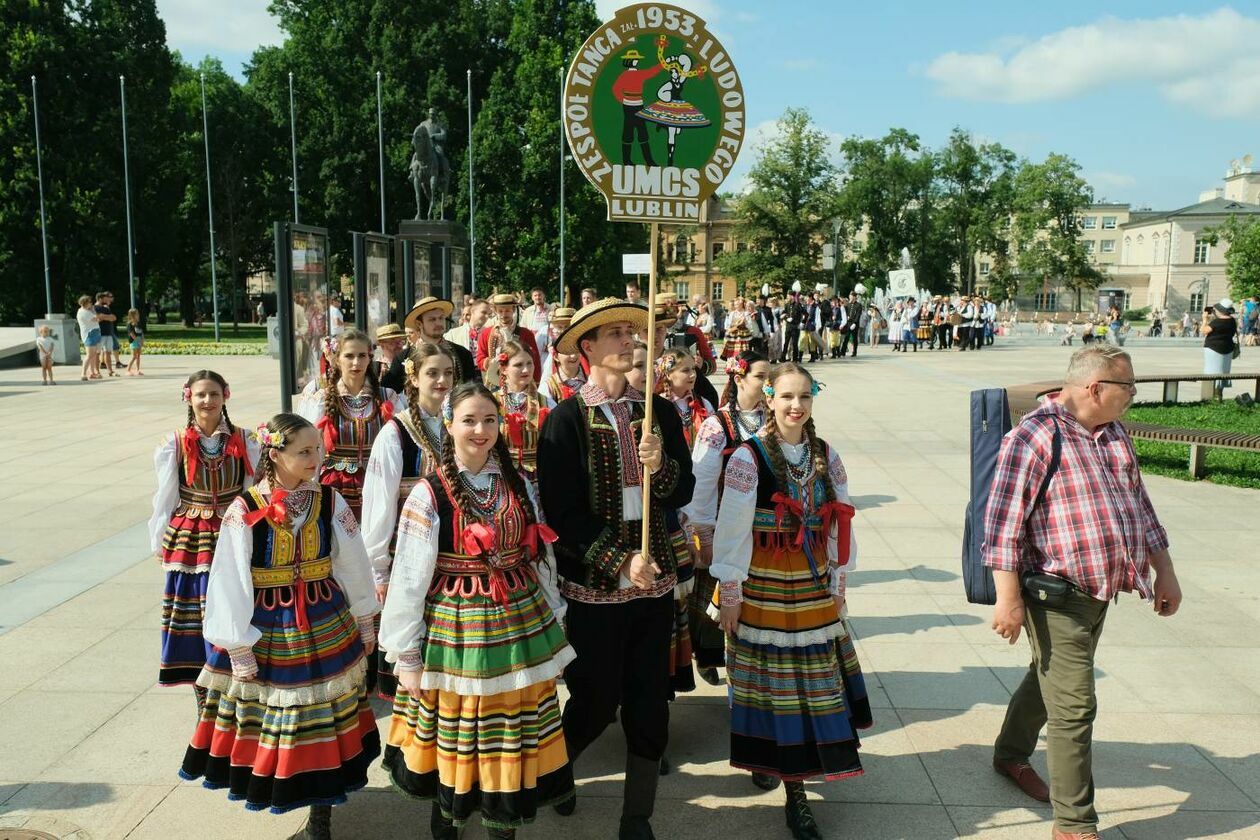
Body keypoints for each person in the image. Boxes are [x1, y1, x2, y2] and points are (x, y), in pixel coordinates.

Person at [984, 344, 1182, 840]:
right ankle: (1074, 825)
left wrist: (1165, 570)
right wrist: (1007, 600)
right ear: (1096, 388)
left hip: (1100, 591)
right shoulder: (1034, 436)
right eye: (1128, 388)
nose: (1133, 396)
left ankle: (1009, 754)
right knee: (1075, 706)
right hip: (1054, 594)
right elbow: (1002, 527)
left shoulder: (1113, 433)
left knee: (1049, 679)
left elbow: (1141, 505)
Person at [380, 382, 575, 839]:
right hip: (457, 624)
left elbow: (536, 553)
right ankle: (447, 812)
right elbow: (410, 575)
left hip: (519, 621)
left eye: (490, 420)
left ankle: (501, 820)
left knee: (509, 724)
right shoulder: (429, 493)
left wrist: (553, 612)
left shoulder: (518, 482)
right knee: (461, 721)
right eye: (469, 420)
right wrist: (406, 652)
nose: (481, 429)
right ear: (448, 426)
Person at [537, 298, 695, 840]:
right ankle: (556, 775)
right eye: (617, 334)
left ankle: (637, 817)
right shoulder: (564, 420)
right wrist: (622, 560)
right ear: (587, 349)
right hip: (597, 586)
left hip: (653, 588)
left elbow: (685, 489)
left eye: (632, 332)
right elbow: (562, 513)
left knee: (650, 702)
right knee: (595, 698)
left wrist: (663, 464)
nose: (630, 340)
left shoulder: (660, 413)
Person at [179, 413, 379, 840]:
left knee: (327, 717)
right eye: (304, 451)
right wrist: (238, 644)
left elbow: (352, 559)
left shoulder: (329, 500)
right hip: (270, 623)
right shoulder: (245, 508)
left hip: (325, 617)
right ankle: (289, 787)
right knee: (282, 717)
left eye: (318, 449)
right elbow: (229, 575)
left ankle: (322, 812)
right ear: (275, 454)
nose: (315, 457)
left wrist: (365, 616)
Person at [710, 362, 869, 837]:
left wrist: (839, 580)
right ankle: (787, 782)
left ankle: (794, 777)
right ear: (769, 400)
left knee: (812, 684)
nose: (796, 406)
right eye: (786, 397)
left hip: (812, 584)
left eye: (805, 397)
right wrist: (731, 592)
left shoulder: (825, 454)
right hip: (763, 582)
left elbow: (841, 520)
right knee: (769, 685)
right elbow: (733, 529)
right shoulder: (747, 457)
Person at [149, 371, 261, 704]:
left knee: (236, 600)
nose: (207, 401)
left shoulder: (245, 439)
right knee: (196, 609)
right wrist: (159, 539)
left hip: (232, 528)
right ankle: (203, 686)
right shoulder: (176, 443)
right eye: (201, 395)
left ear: (225, 395)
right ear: (189, 398)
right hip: (192, 536)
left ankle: (235, 676)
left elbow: (251, 489)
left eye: (213, 394)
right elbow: (166, 495)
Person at [360, 342, 453, 700]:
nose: (442, 380)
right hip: (408, 551)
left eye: (447, 373)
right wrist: (378, 569)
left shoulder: (457, 422)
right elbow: (379, 505)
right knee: (414, 638)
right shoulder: (395, 433)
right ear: (413, 378)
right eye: (432, 372)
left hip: (453, 548)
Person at [681, 350, 769, 686]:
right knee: (715, 601)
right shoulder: (718, 425)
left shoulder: (772, 418)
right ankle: (712, 659)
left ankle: (753, 670)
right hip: (726, 524)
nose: (767, 384)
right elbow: (702, 480)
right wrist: (700, 530)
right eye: (761, 376)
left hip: (763, 528)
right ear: (738, 377)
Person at [300, 329, 406, 522]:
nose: (356, 362)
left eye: (362, 356)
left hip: (377, 480)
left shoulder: (387, 397)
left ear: (370, 358)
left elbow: (400, 443)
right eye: (349, 356)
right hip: (335, 484)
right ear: (337, 359)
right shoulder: (322, 399)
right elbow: (313, 448)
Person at [494, 338, 555, 473]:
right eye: (518, 365)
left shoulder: (546, 403)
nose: (526, 369)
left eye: (529, 363)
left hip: (539, 474)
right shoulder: (493, 402)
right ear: (504, 369)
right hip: (502, 472)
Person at [407, 297, 477, 384]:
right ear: (419, 324)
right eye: (432, 319)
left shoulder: (463, 354)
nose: (438, 323)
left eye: (441, 318)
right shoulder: (404, 357)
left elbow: (471, 390)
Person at [478, 293, 542, 385]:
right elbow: (480, 359)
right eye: (500, 311)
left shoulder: (526, 334)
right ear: (495, 311)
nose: (504, 314)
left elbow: (535, 360)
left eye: (507, 310)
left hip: (521, 382)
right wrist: (493, 362)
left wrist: (536, 383)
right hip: (495, 383)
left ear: (513, 310)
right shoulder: (486, 333)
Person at [1202, 299, 1238, 396]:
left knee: (1211, 371)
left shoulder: (1216, 322)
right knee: (1223, 372)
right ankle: (1219, 395)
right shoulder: (1232, 321)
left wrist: (1205, 320)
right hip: (1228, 349)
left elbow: (1204, 331)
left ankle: (1209, 395)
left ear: (1220, 310)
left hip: (1213, 349)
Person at [375, 322, 409, 392]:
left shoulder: (408, 362)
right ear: (382, 345)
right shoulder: (375, 367)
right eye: (395, 343)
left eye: (401, 341)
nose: (400, 346)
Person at [76, 295, 101, 381]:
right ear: (85, 303)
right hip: (89, 334)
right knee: (89, 354)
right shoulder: (83, 312)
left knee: (93, 355)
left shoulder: (87, 311)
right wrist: (94, 311)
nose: (91, 303)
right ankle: (83, 373)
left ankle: (92, 372)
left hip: (94, 332)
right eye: (90, 302)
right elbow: (96, 319)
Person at [95, 291, 119, 374]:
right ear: (100, 298)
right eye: (105, 298)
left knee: (108, 352)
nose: (107, 299)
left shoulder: (106, 308)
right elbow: (97, 318)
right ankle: (97, 371)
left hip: (108, 333)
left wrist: (104, 317)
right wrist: (106, 317)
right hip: (99, 333)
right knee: (97, 353)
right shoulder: (94, 308)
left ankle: (110, 370)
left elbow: (113, 318)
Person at [528, 287, 553, 360]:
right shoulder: (528, 311)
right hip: (532, 341)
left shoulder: (551, 309)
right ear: (532, 297)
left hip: (547, 343)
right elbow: (524, 326)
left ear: (543, 296)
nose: (537, 297)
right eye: (535, 295)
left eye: (539, 295)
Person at [125, 308, 145, 376]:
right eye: (137, 314)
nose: (138, 315)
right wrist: (137, 341)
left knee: (138, 356)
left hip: (139, 340)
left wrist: (142, 340)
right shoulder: (129, 324)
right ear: (133, 315)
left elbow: (141, 332)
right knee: (134, 356)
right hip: (134, 341)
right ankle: (128, 370)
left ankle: (138, 370)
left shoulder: (138, 323)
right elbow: (131, 334)